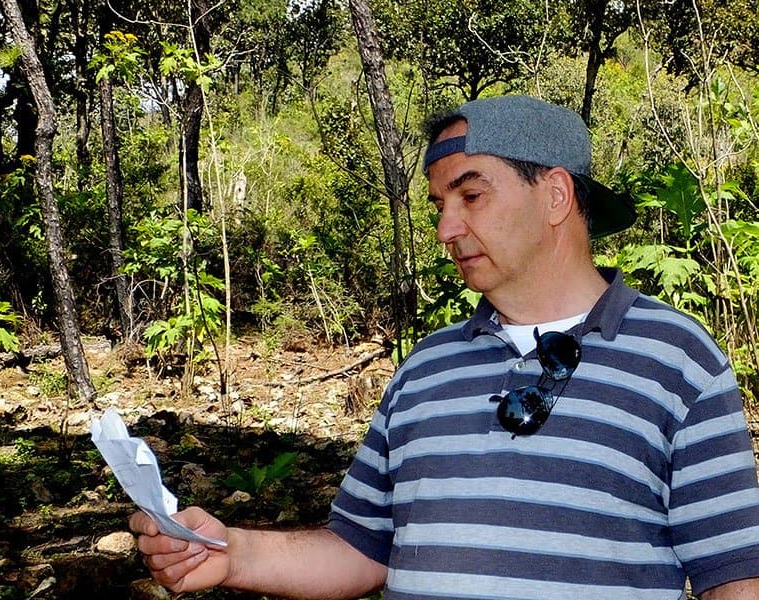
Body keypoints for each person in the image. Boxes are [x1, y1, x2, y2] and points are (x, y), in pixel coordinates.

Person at [130, 95, 759, 599]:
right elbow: (360, 550)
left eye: (471, 195)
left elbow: (735, 576)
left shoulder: (679, 362)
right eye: (439, 205)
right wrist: (229, 553)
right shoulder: (424, 371)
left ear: (556, 196)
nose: (446, 228)